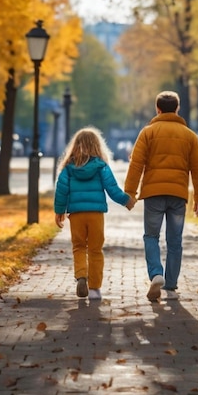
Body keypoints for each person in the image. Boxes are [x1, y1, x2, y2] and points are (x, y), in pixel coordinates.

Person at [124, 91, 198, 302]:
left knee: (151, 236)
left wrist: (129, 193)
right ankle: (170, 282)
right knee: (175, 240)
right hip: (178, 195)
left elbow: (136, 164)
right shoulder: (190, 136)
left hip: (153, 194)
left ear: (157, 109)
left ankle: (156, 274)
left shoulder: (148, 132)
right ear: (177, 109)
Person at [54, 127, 136, 300]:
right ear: (97, 146)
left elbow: (61, 191)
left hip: (76, 214)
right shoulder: (101, 166)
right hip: (95, 214)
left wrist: (59, 211)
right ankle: (94, 289)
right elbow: (112, 189)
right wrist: (127, 201)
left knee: (79, 247)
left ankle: (81, 276)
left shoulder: (68, 168)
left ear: (75, 146)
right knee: (95, 249)